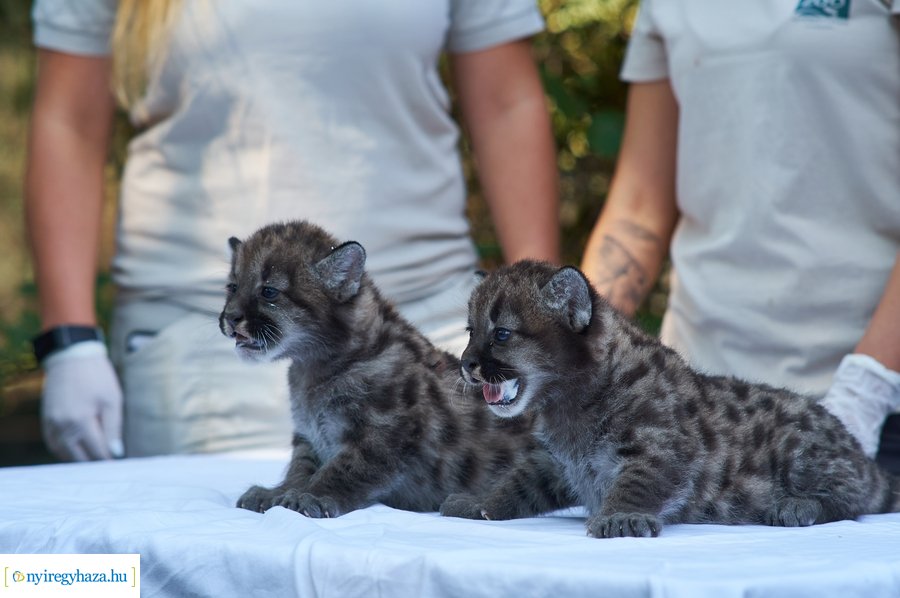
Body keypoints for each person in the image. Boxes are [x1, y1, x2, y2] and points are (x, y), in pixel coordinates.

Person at [25, 0, 560, 462]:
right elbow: (68, 120)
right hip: (210, 357)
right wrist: (70, 342)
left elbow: (506, 105)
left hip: (436, 334)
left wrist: (538, 327)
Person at [580, 0, 900, 467]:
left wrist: (866, 390)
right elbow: (639, 211)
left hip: (870, 410)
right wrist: (569, 347)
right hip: (700, 411)